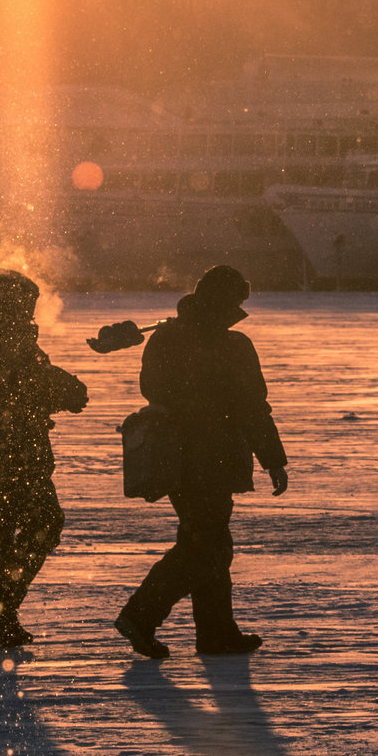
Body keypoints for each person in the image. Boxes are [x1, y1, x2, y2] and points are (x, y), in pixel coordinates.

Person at [113, 265, 288, 659]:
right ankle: (141, 615)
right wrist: (273, 460)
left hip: (174, 460)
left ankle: (217, 633)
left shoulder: (167, 336)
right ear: (225, 301)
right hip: (209, 459)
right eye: (236, 301)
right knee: (208, 547)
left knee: (207, 541)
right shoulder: (231, 347)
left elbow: (152, 388)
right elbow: (252, 409)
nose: (239, 308)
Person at [0, 271, 88, 650]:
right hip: (11, 458)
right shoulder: (6, 340)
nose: (32, 312)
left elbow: (19, 388)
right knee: (40, 525)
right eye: (27, 303)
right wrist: (67, 390)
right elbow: (29, 385)